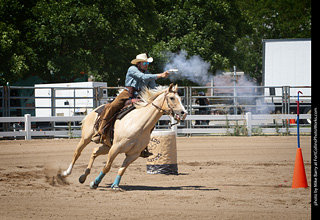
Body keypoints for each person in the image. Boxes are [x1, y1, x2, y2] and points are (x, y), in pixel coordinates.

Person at [92, 53, 170, 157]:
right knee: (112, 106)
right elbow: (142, 77)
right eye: (145, 63)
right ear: (138, 64)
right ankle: (101, 132)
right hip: (127, 93)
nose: (147, 65)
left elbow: (153, 88)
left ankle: (143, 146)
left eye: (147, 63)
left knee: (149, 121)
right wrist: (160, 75)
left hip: (140, 97)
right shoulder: (132, 69)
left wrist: (165, 90)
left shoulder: (149, 75)